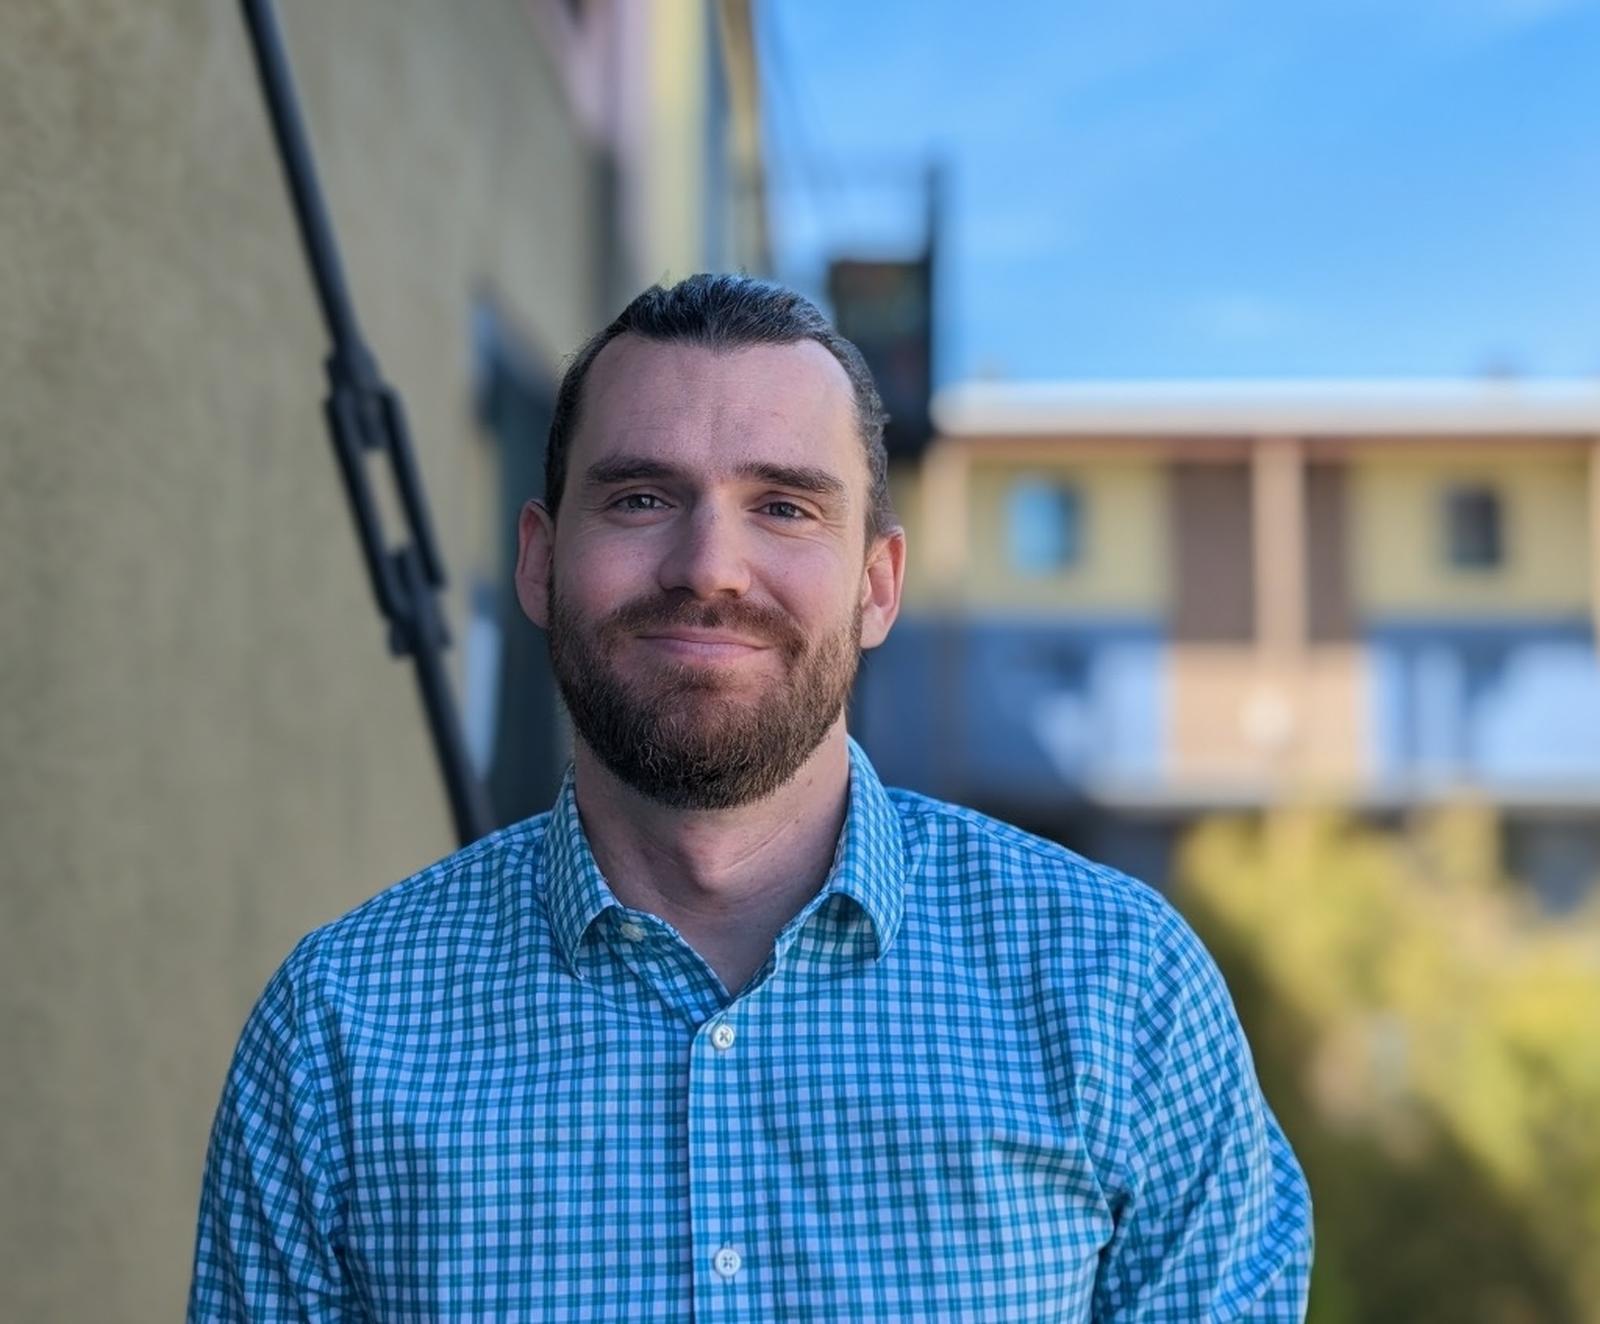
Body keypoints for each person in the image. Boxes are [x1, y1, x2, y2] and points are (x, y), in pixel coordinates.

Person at [189, 273, 1312, 1321]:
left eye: (783, 507)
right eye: (640, 497)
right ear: (537, 560)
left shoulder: (1121, 989)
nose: (709, 568)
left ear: (878, 585)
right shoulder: (338, 1031)